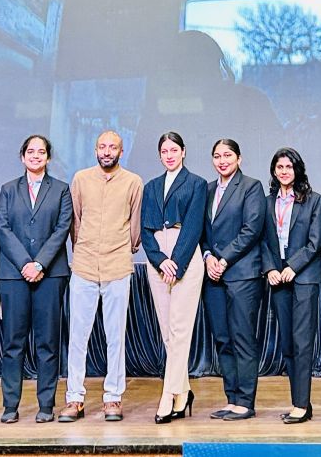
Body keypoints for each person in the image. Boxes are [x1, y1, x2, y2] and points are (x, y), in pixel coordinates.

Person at [60, 131, 143, 423]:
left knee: (115, 336)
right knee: (77, 336)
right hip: (84, 265)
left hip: (118, 265)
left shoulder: (133, 182)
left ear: (121, 151)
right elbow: (75, 221)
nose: (107, 152)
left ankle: (113, 397)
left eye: (113, 147)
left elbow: (135, 227)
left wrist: (123, 249)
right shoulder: (81, 179)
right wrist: (83, 248)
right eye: (102, 147)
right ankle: (74, 398)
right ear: (95, 149)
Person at [0, 134, 73, 424]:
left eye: (41, 152)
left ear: (48, 158)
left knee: (47, 343)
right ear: (22, 156)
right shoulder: (7, 190)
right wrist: (25, 264)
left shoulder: (61, 190)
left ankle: (46, 405)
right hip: (13, 276)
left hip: (50, 275)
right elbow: (2, 228)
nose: (36, 156)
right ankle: (10, 406)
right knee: (13, 344)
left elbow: (62, 228)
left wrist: (39, 263)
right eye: (31, 151)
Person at [140, 132, 207, 424]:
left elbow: (193, 227)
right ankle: (183, 392)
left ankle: (167, 395)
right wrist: (159, 260)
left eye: (174, 150)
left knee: (180, 329)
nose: (169, 155)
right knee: (168, 331)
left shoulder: (196, 184)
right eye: (164, 151)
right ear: (160, 155)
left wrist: (175, 263)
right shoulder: (151, 186)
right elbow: (145, 230)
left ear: (183, 152)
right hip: (158, 258)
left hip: (185, 256)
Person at [202, 138, 266, 421]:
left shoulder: (251, 187)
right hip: (213, 276)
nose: (222, 161)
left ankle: (246, 401)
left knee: (242, 338)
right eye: (217, 156)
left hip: (242, 274)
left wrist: (224, 259)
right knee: (223, 339)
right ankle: (232, 398)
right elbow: (201, 231)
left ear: (239, 158)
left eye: (228, 155)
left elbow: (251, 229)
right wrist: (208, 257)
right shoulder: (207, 190)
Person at [260, 148, 321, 424]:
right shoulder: (266, 202)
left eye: (289, 166)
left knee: (302, 342)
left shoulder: (314, 200)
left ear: (297, 169)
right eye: (280, 167)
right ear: (274, 171)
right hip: (278, 277)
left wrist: (293, 266)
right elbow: (262, 240)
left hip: (304, 277)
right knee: (287, 343)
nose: (284, 171)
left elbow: (315, 241)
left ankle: (301, 404)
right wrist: (270, 269)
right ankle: (298, 401)